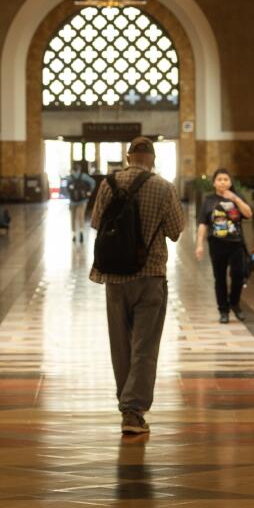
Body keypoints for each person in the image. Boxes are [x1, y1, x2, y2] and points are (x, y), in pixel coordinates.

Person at [89, 136, 185, 438]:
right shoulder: (163, 186)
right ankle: (133, 411)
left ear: (128, 157)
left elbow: (95, 224)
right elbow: (175, 231)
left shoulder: (108, 184)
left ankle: (126, 402)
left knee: (120, 344)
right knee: (145, 346)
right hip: (151, 276)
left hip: (115, 278)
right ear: (152, 160)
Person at [194, 168, 254, 323]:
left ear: (230, 182)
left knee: (238, 275)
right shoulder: (208, 201)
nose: (222, 182)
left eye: (226, 179)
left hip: (236, 243)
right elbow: (202, 223)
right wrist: (199, 244)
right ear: (214, 183)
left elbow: (248, 214)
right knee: (219, 278)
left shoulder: (237, 197)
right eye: (219, 179)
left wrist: (235, 199)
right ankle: (223, 310)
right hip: (216, 244)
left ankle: (234, 303)